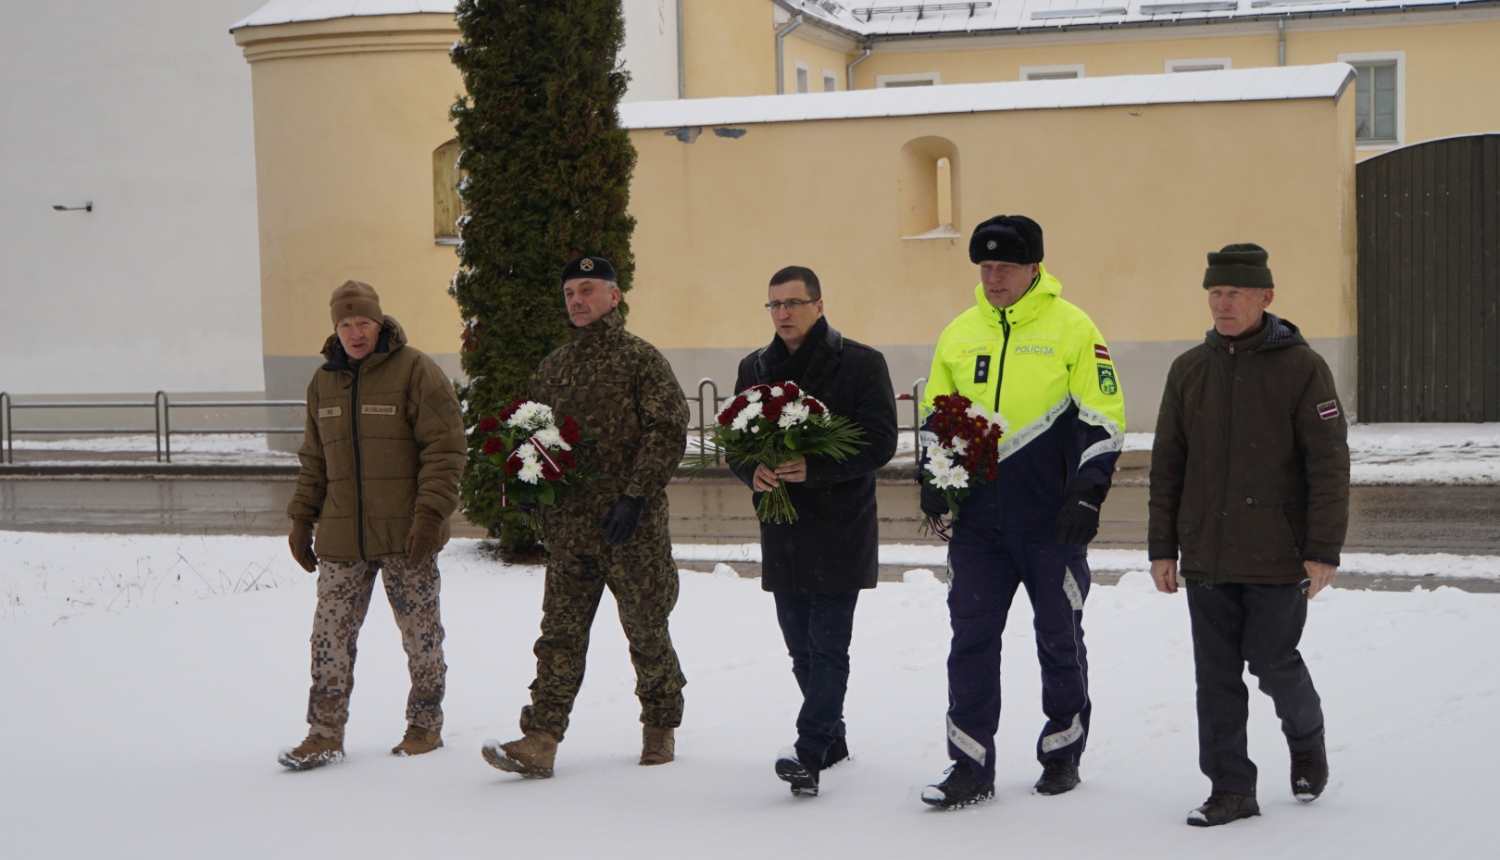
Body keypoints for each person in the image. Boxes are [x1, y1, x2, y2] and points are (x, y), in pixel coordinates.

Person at [917, 215, 1127, 809]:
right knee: (970, 641)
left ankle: (1061, 752)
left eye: (1005, 266)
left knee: (1059, 638)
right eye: (984, 267)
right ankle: (969, 765)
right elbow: (938, 415)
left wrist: (1088, 492)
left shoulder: (1074, 329)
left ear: (1035, 266)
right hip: (979, 525)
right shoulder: (959, 333)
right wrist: (934, 476)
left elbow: (1104, 416)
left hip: (1050, 521)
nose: (993, 277)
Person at [1148, 243, 1348, 827]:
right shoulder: (1189, 368)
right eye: (1215, 292)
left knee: (1272, 660)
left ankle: (1306, 738)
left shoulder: (1302, 368)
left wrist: (1321, 549)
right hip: (1206, 552)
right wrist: (1164, 546)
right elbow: (1168, 465)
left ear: (1266, 297)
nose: (1222, 303)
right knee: (1214, 679)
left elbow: (1329, 465)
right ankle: (1231, 788)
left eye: (1235, 292)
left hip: (1276, 551)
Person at [483, 255, 690, 779]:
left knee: (646, 629)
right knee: (559, 635)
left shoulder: (642, 361)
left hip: (632, 530)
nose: (577, 300)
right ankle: (540, 739)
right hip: (571, 532)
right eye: (570, 292)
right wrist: (529, 482)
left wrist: (635, 498)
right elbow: (537, 434)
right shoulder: (553, 368)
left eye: (588, 290)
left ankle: (660, 725)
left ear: (614, 296)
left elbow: (666, 433)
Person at [278, 280, 467, 770]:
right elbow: (314, 459)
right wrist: (302, 517)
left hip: (408, 537)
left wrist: (429, 515)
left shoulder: (416, 371)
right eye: (345, 324)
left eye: (363, 322)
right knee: (329, 638)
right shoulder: (323, 382)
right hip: (342, 537)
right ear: (335, 329)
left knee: (421, 636)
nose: (355, 332)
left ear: (379, 322)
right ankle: (323, 734)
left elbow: (445, 449)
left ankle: (425, 726)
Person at [729, 266, 898, 797]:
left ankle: (808, 749)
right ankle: (834, 739)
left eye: (794, 303)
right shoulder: (754, 366)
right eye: (774, 305)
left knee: (828, 645)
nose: (783, 313)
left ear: (819, 306)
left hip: (840, 525)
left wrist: (816, 468)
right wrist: (749, 471)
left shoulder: (862, 363)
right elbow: (736, 438)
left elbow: (881, 442)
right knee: (800, 646)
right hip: (783, 528)